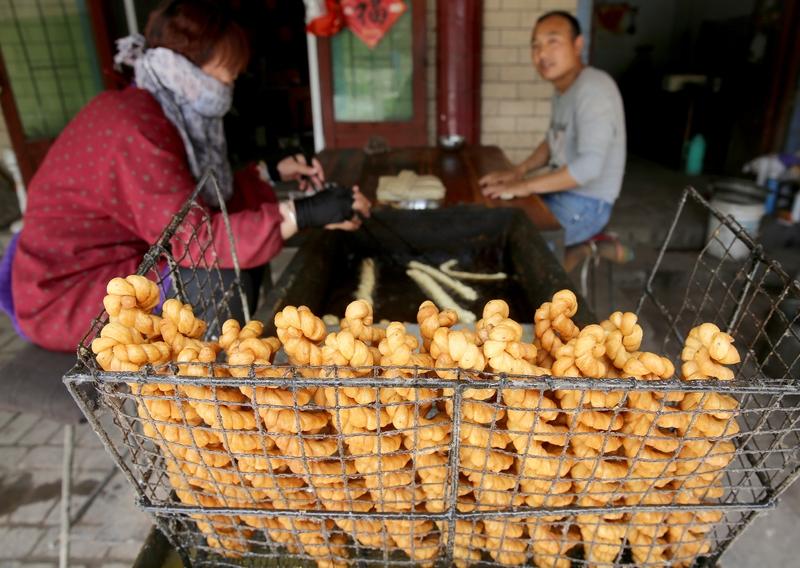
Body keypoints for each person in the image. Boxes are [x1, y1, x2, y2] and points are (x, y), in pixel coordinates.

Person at [5, 0, 370, 352]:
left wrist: (269, 173)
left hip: (112, 265)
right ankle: (201, 393)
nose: (232, 81)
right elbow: (198, 240)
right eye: (227, 71)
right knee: (221, 279)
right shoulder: (134, 128)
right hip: (68, 293)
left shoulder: (155, 109)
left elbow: (191, 195)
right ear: (184, 68)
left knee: (238, 262)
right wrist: (300, 213)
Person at [479, 10, 626, 248]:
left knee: (515, 247)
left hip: (588, 205)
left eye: (553, 41)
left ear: (578, 45)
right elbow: (552, 142)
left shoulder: (595, 89)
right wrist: (518, 172)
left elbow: (589, 168)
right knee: (497, 215)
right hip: (562, 195)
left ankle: (573, 259)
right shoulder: (563, 90)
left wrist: (525, 185)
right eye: (535, 46)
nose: (542, 53)